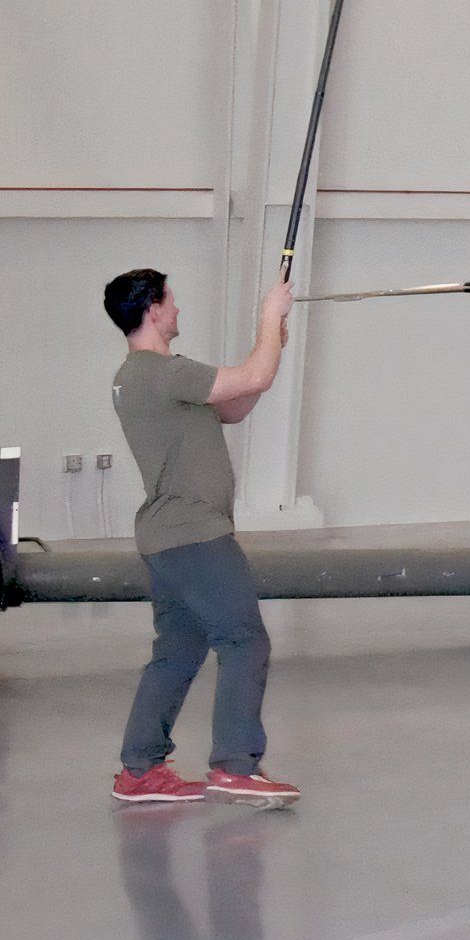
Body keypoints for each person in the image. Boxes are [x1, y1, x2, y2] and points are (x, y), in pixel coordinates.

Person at [108, 270, 301, 809]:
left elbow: (237, 403)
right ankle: (236, 766)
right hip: (196, 536)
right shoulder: (160, 372)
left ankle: (140, 770)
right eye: (170, 301)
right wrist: (269, 316)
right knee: (245, 640)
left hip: (168, 540)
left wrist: (272, 344)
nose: (176, 310)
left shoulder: (144, 376)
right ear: (152, 308)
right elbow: (251, 376)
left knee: (176, 652)